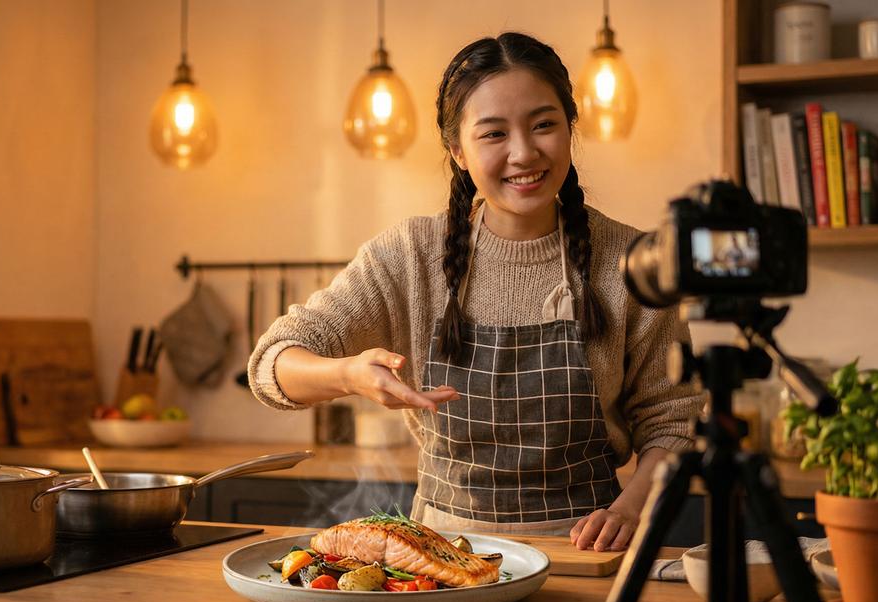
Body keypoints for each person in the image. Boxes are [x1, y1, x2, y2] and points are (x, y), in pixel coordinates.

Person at [249, 32, 702, 551]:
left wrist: (629, 509)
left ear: (570, 130)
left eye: (544, 125)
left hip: (586, 553)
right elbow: (271, 365)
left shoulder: (631, 262)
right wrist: (349, 374)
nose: (524, 152)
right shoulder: (408, 256)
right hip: (440, 558)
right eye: (493, 134)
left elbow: (675, 421)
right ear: (457, 151)